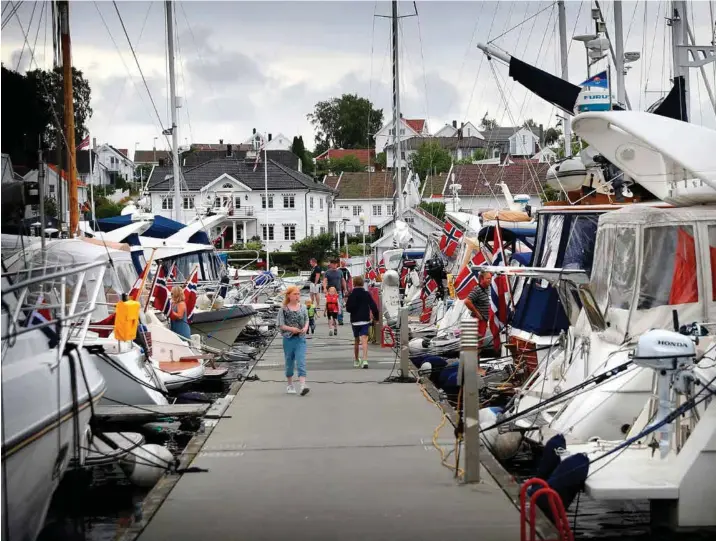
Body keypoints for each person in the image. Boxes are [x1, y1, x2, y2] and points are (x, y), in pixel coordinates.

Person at [277, 286, 310, 396]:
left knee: (301, 361)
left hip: (300, 338)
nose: (297, 296)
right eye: (295, 294)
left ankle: (302, 385)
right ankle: (290, 384)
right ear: (289, 296)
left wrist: (305, 328)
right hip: (288, 339)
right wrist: (292, 329)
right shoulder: (283, 309)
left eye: (298, 294)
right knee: (289, 362)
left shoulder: (303, 307)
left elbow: (307, 319)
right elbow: (280, 325)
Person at [345, 275, 379, 369]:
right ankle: (365, 360)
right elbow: (374, 306)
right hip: (365, 320)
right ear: (362, 283)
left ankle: (356, 360)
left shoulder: (351, 295)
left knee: (356, 340)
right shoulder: (367, 294)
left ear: (354, 284)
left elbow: (348, 308)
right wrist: (376, 317)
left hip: (355, 320)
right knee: (364, 340)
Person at [464, 271, 492, 357]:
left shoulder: (486, 289)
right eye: (488, 278)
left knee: (480, 343)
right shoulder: (477, 289)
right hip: (478, 321)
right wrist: (478, 314)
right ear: (481, 279)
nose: (490, 280)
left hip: (483, 321)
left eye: (490, 279)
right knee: (477, 343)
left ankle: (476, 365)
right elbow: (467, 301)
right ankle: (474, 365)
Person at [323, 259, 347, 325]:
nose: (333, 265)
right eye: (332, 264)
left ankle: (340, 319)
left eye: (335, 264)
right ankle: (333, 319)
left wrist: (345, 289)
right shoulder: (327, 272)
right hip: (330, 292)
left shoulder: (340, 272)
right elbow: (324, 281)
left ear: (337, 264)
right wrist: (324, 288)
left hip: (338, 291)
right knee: (332, 306)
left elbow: (343, 281)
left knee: (340, 305)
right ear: (330, 264)